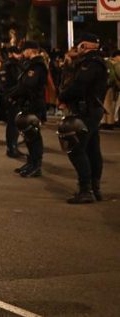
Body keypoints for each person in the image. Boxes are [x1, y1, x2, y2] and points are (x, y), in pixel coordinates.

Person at [58, 34, 108, 204]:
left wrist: (63, 96)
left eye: (78, 46)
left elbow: (79, 86)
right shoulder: (95, 61)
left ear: (84, 45)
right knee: (92, 149)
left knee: (76, 149)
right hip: (92, 110)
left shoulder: (91, 63)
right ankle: (95, 189)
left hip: (87, 111)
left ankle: (86, 189)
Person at [7, 41, 48, 177]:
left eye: (24, 50)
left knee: (34, 136)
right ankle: (31, 163)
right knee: (28, 136)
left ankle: (36, 165)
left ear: (31, 50)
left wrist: (13, 94)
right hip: (28, 104)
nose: (23, 53)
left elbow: (28, 84)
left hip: (35, 104)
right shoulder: (30, 64)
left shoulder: (37, 65)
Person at [0, 48, 25, 157]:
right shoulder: (12, 65)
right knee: (13, 124)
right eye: (17, 53)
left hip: (10, 97)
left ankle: (12, 146)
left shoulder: (6, 65)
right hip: (14, 97)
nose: (19, 55)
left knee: (14, 124)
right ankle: (12, 148)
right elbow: (17, 82)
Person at [103, 50, 120, 129]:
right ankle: (109, 123)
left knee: (106, 104)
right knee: (109, 105)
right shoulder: (113, 64)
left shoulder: (105, 62)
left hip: (104, 86)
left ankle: (105, 122)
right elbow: (113, 75)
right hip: (109, 86)